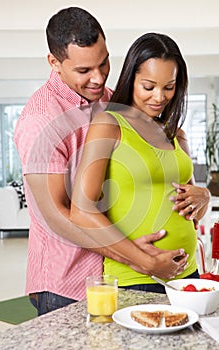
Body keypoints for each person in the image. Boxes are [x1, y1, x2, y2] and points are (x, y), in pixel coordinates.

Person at [70, 32, 211, 293]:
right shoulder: (109, 125)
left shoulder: (176, 134)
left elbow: (190, 208)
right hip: (137, 280)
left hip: (188, 274)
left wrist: (204, 197)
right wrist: (145, 261)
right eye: (149, 87)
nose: (159, 97)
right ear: (131, 79)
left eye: (169, 87)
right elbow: (81, 211)